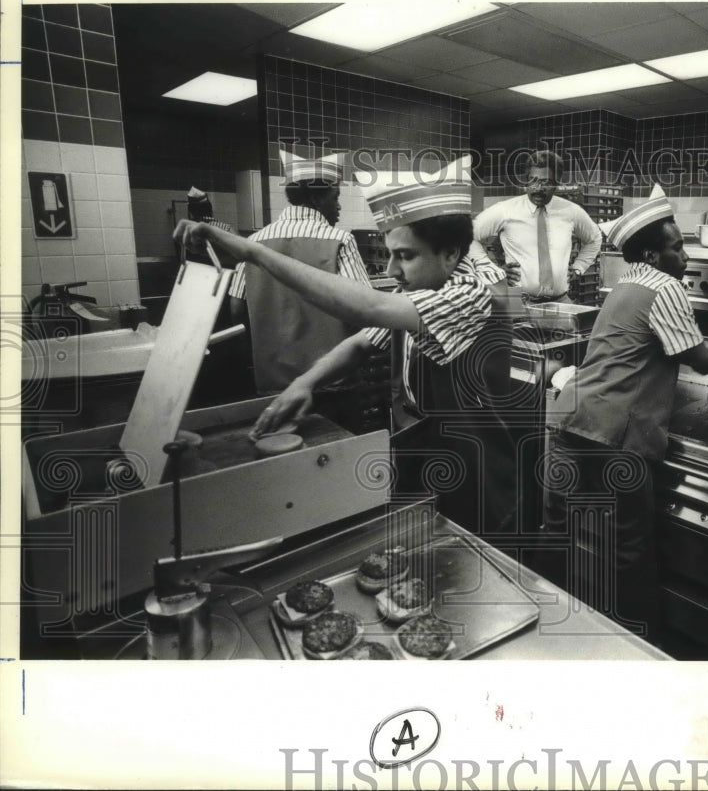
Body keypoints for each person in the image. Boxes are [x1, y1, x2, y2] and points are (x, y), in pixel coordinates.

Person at [173, 156, 519, 539]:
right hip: (427, 453)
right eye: (391, 254)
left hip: (475, 473)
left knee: (472, 553)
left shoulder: (470, 295)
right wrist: (305, 383)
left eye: (405, 256)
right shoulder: (418, 289)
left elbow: (372, 307)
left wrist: (253, 252)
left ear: (451, 254)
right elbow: (360, 342)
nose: (390, 270)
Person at [540, 185, 708, 645]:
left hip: (567, 419)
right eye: (677, 248)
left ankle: (548, 631)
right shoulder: (666, 287)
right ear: (652, 254)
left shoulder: (624, 285)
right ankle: (638, 642)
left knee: (556, 531)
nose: (685, 257)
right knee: (628, 546)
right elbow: (696, 355)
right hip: (616, 435)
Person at [236, 150, 372, 395]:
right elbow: (364, 309)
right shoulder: (340, 240)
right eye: (335, 197)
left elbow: (236, 307)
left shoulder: (253, 243)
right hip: (331, 382)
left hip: (272, 384)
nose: (338, 206)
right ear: (317, 198)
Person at [468, 149, 603, 304]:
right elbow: (468, 236)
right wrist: (492, 270)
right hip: (520, 302)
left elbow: (595, 238)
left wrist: (579, 267)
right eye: (533, 180)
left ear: (556, 184)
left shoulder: (571, 211)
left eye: (546, 182)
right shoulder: (506, 210)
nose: (538, 188)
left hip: (560, 300)